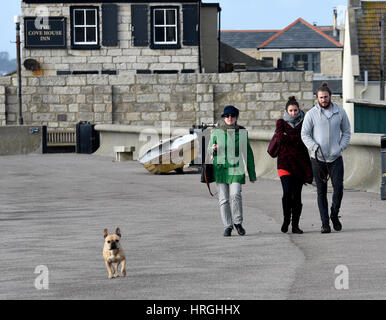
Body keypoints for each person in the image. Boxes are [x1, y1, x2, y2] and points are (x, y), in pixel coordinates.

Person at [301, 83, 351, 233]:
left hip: (336, 158)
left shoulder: (340, 112)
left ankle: (334, 214)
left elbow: (347, 132)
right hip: (318, 159)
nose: (323, 100)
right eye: (321, 98)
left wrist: (341, 147)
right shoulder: (311, 114)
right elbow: (305, 134)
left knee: (338, 189)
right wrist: (314, 148)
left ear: (330, 97)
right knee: (321, 192)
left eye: (326, 97)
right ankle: (325, 223)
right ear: (317, 98)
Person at [209, 105, 256, 237]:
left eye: (232, 116)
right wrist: (213, 148)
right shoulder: (216, 132)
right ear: (224, 117)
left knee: (235, 194)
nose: (230, 118)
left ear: (236, 117)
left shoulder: (242, 132)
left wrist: (252, 174)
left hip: (236, 168)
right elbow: (208, 150)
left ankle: (238, 223)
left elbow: (248, 154)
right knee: (223, 199)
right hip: (220, 168)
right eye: (227, 116)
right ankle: (227, 226)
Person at [275, 96, 313, 234]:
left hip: (300, 164)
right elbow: (280, 138)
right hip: (284, 163)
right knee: (286, 193)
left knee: (297, 196)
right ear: (286, 111)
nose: (293, 113)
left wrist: (288, 137)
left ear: (299, 110)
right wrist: (295, 138)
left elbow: (305, 138)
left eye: (295, 110)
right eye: (290, 111)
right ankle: (286, 220)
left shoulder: (304, 123)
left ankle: (295, 225)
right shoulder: (280, 123)